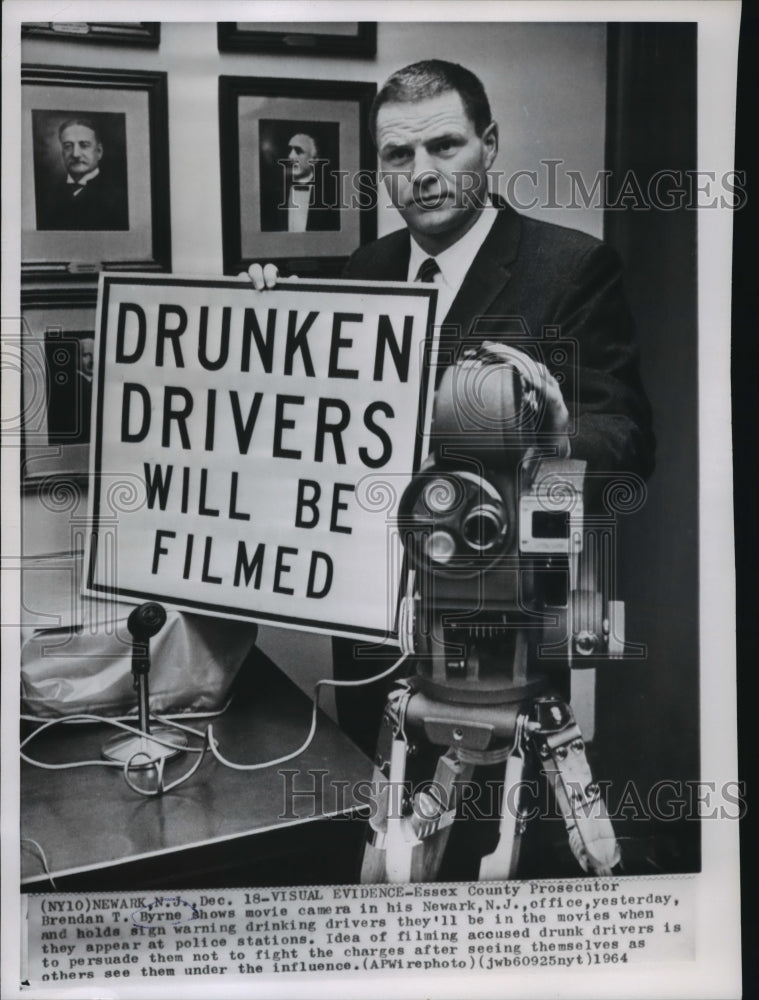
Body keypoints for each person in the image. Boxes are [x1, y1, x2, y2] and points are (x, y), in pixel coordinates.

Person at [248, 60, 655, 871]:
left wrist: (552, 436)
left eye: (444, 145)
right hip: (369, 623)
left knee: (491, 849)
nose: (421, 174)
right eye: (398, 156)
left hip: (499, 628)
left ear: (489, 144)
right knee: (383, 837)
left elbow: (629, 445)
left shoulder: (569, 265)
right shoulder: (362, 272)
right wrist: (261, 328)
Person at [36, 117, 129, 231]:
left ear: (99, 151)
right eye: (68, 146)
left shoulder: (119, 198)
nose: (75, 154)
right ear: (62, 152)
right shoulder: (46, 195)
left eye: (84, 145)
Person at [260, 130, 340, 233]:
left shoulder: (331, 198)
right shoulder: (273, 197)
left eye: (298, 151)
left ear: (314, 159)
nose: (291, 156)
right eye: (290, 150)